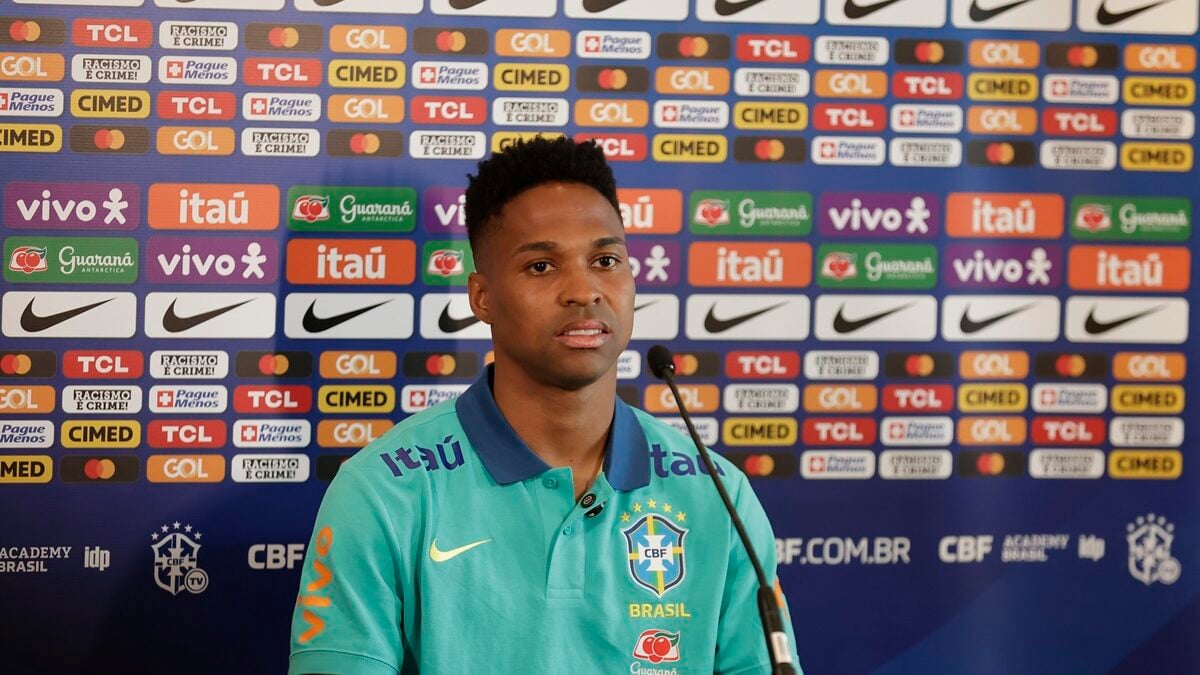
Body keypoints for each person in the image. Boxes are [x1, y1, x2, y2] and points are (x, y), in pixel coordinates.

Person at [288, 136, 800, 674]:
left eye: (605, 260)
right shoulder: (383, 491)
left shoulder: (717, 494)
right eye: (540, 266)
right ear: (482, 297)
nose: (583, 290)